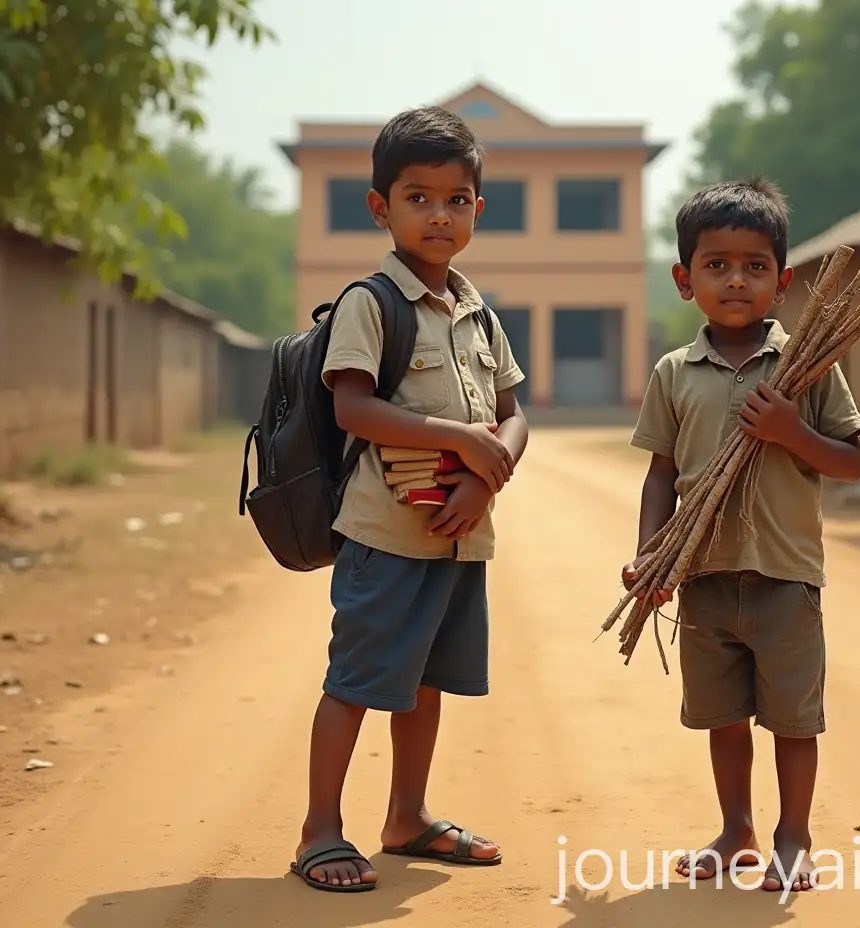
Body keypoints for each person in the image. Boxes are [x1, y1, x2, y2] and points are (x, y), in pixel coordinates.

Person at [290, 106, 528, 892]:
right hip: (386, 533)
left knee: (425, 681)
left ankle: (407, 815)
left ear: (478, 211)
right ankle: (321, 830)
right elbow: (352, 408)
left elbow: (513, 414)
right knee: (359, 680)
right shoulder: (372, 301)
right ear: (380, 208)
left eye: (457, 199)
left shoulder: (477, 310)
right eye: (418, 196)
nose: (439, 213)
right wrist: (458, 440)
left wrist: (485, 473)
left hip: (460, 532)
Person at [621, 178, 860, 893]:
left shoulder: (808, 369)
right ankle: (738, 830)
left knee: (793, 720)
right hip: (701, 578)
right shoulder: (674, 372)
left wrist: (791, 431)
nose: (736, 279)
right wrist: (650, 552)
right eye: (717, 264)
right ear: (684, 279)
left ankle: (795, 838)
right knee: (722, 718)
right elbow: (661, 474)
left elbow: (851, 462)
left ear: (783, 281)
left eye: (755, 266)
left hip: (786, 578)